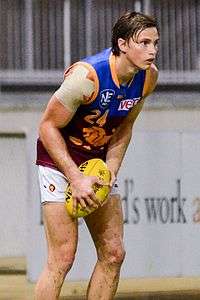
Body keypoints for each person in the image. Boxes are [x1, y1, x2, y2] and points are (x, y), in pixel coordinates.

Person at [35, 11, 159, 300]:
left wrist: (110, 169)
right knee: (62, 257)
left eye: (155, 43)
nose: (152, 50)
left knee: (114, 253)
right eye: (143, 42)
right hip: (58, 161)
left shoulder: (148, 78)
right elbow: (47, 126)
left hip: (96, 163)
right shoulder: (86, 76)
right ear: (122, 44)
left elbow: (125, 126)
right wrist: (75, 177)